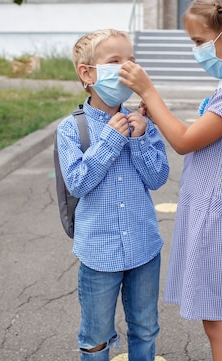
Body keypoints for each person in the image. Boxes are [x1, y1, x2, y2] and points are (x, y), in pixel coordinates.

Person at [118, 0, 222, 361]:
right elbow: (200, 137)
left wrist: (150, 93)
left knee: (214, 317)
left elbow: (186, 142)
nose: (196, 50)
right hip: (213, 210)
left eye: (198, 41)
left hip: (216, 214)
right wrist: (157, 112)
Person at [56, 29, 170, 360]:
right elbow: (76, 182)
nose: (126, 69)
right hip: (98, 255)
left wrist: (139, 137)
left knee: (145, 329)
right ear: (87, 73)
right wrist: (110, 141)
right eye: (115, 61)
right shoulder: (71, 128)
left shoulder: (143, 122)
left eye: (131, 61)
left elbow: (158, 177)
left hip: (144, 250)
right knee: (96, 337)